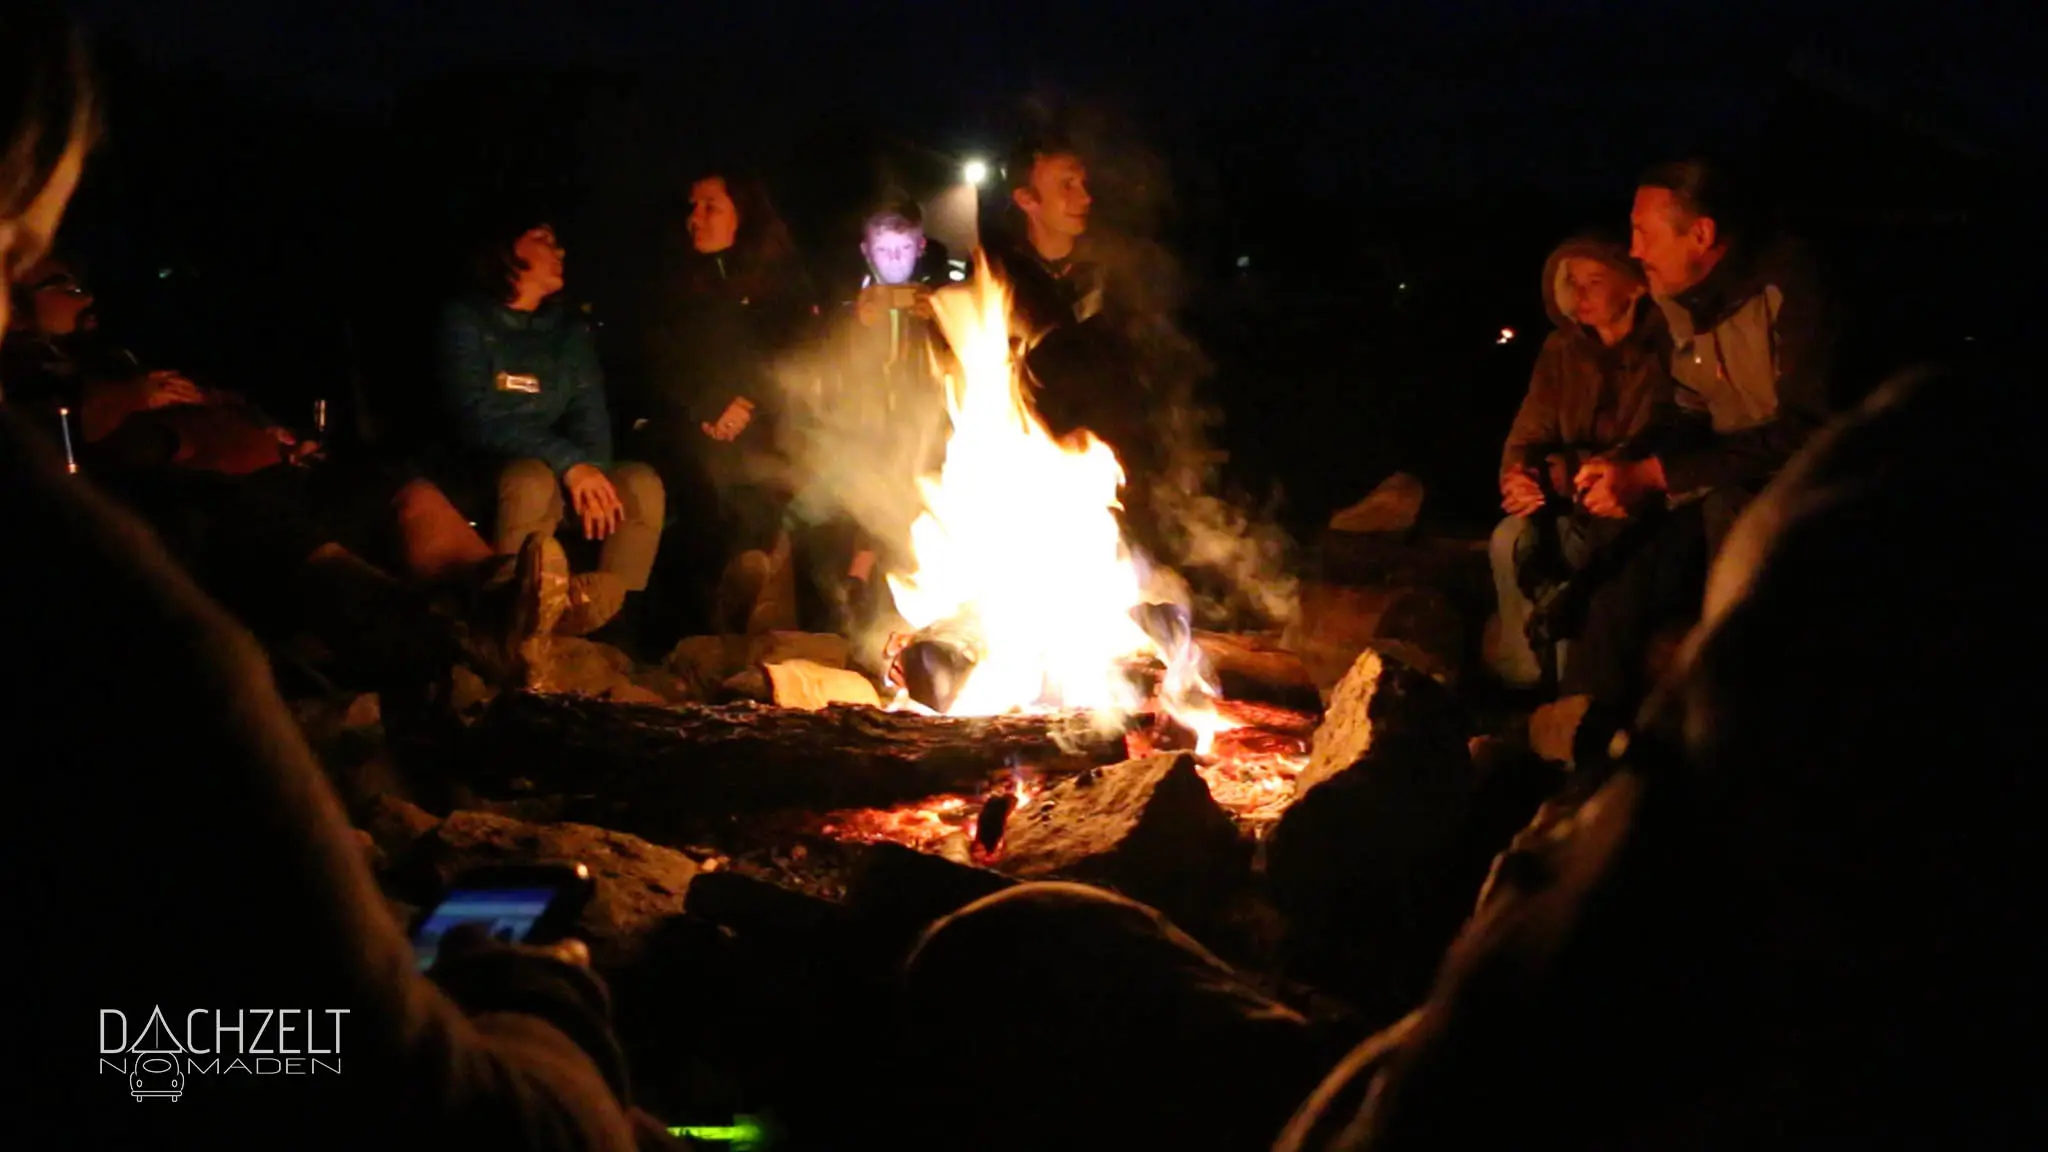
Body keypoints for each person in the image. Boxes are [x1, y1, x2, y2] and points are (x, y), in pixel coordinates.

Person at [904, 361, 2034, 1152]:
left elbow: (1474, 1053)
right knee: (1033, 938)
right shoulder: (1887, 970)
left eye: (1715, 656)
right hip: (1388, 1064)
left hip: (1386, 1106)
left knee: (1012, 944)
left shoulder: (1689, 908)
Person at [3, 8, 662, 1148]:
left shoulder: (116, 355)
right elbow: (299, 1065)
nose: (44, 297)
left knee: (393, 485)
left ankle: (491, 594)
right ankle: (434, 624)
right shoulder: (105, 609)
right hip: (198, 497)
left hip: (271, 466)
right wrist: (540, 989)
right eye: (22, 262)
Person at [1575, 157, 1839, 557]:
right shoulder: (1674, 304)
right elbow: (1683, 411)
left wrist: (1657, 474)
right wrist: (1627, 460)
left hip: (1812, 481)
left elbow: (1809, 428)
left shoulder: (1794, 285)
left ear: (1700, 234)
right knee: (1617, 519)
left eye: (1644, 234)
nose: (1634, 250)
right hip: (1726, 471)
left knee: (1728, 510)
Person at [440, 218, 666, 642]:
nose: (559, 251)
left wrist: (592, 473)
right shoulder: (466, 320)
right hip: (488, 468)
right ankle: (512, 627)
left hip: (561, 469)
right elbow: (475, 418)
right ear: (507, 251)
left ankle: (608, 630)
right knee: (530, 481)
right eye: (543, 240)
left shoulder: (566, 332)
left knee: (640, 485)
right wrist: (570, 465)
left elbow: (590, 415)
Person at [632, 168, 816, 636]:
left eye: (710, 206)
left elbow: (791, 352)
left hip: (756, 423)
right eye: (692, 207)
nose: (695, 218)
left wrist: (747, 402)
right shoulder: (672, 283)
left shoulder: (778, 284)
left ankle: (738, 613)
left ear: (743, 214)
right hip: (684, 425)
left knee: (765, 483)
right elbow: (658, 360)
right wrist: (708, 405)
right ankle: (692, 628)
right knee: (709, 484)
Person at [1488, 235, 1673, 690]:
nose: (1579, 293)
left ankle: (1573, 692)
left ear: (1635, 287)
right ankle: (1525, 676)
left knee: (1583, 563)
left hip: (1635, 507)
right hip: (1564, 496)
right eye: (1572, 282)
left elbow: (1657, 438)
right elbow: (1529, 432)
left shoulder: (1667, 347)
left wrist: (1572, 468)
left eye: (1594, 281)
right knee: (1508, 538)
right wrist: (1520, 476)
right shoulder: (1562, 350)